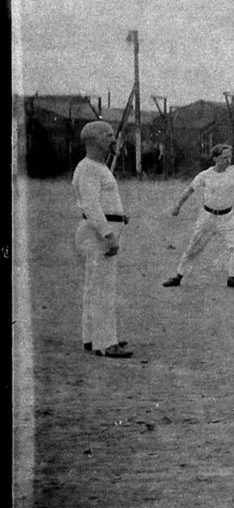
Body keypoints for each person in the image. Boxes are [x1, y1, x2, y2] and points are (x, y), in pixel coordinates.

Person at [162, 141, 234, 289]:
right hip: (207, 217)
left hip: (228, 218)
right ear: (215, 158)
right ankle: (178, 276)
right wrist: (177, 206)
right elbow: (189, 190)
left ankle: (233, 277)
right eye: (224, 157)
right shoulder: (205, 175)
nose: (227, 160)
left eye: (229, 157)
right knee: (193, 248)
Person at [72, 121, 132, 358]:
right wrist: (108, 235)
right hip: (97, 235)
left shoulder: (98, 166)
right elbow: (90, 204)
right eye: (108, 135)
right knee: (103, 289)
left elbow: (102, 201)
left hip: (100, 231)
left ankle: (91, 337)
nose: (112, 138)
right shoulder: (89, 168)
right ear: (93, 140)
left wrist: (120, 216)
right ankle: (106, 343)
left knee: (94, 286)